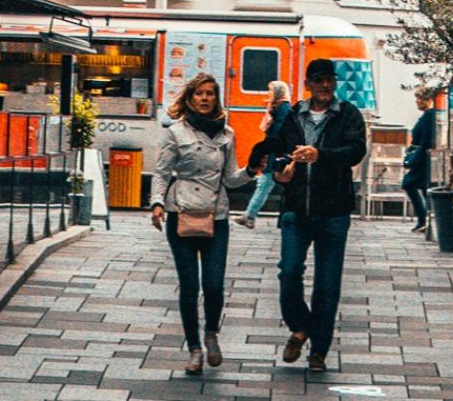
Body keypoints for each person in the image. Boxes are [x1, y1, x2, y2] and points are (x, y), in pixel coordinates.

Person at [150, 73, 256, 377]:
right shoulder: (175, 133)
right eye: (199, 94)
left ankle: (211, 332)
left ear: (216, 98)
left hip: (216, 215)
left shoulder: (227, 135)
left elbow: (231, 179)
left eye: (210, 93)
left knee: (213, 283)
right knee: (189, 285)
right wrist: (157, 203)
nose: (205, 98)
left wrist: (252, 170)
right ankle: (194, 348)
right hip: (181, 212)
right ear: (190, 98)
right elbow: (161, 172)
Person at [268, 57, 368, 372]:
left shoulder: (348, 114)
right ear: (308, 84)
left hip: (333, 212)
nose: (325, 86)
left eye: (330, 80)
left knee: (327, 284)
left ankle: (318, 352)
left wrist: (320, 155)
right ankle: (300, 325)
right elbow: (276, 151)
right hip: (296, 210)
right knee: (289, 272)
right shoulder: (294, 115)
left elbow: (355, 151)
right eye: (319, 80)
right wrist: (278, 172)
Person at [236, 80, 292, 228]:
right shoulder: (278, 106)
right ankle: (250, 215)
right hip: (273, 152)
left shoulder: (283, 107)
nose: (269, 94)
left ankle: (249, 216)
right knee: (265, 184)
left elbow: (279, 131)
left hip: (275, 153)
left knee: (264, 184)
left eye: (272, 91)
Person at [403, 87, 438, 232]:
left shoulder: (429, 116)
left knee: (409, 184)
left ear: (428, 100)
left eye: (420, 99)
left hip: (422, 159)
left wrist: (415, 158)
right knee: (423, 188)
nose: (417, 102)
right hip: (423, 158)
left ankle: (423, 218)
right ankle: (425, 219)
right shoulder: (427, 115)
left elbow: (426, 140)